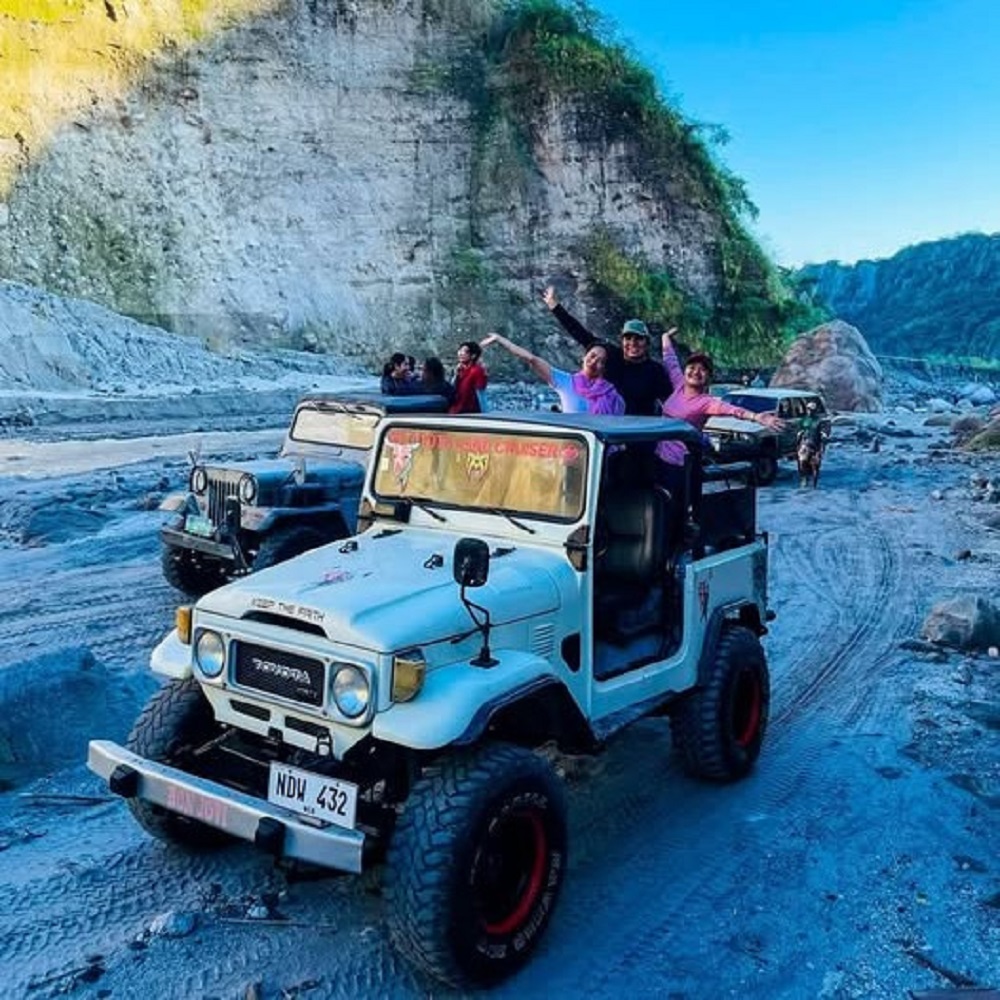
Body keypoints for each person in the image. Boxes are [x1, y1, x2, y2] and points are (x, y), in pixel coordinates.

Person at [655, 330, 783, 493]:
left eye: (702, 370)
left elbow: (733, 410)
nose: (695, 372)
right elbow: (670, 360)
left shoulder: (706, 402)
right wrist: (665, 337)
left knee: (676, 511)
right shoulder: (679, 384)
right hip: (659, 458)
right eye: (692, 367)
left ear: (708, 377)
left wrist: (757, 417)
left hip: (681, 465)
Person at [542, 285, 672, 415]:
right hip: (606, 426)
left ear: (647, 343)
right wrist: (554, 306)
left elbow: (669, 403)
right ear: (622, 341)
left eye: (638, 338)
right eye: (628, 338)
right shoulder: (613, 357)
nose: (633, 343)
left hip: (638, 430)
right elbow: (579, 333)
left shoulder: (655, 371)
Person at [479, 332, 625, 415]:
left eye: (600, 361)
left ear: (604, 368)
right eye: (592, 356)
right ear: (584, 356)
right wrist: (500, 339)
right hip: (572, 450)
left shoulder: (612, 395)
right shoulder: (565, 381)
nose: (593, 362)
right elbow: (531, 359)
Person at [449, 340, 488, 413]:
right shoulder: (459, 369)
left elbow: (481, 394)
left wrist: (484, 413)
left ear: (473, 355)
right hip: (456, 410)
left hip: (470, 413)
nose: (460, 353)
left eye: (465, 351)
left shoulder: (477, 371)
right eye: (459, 350)